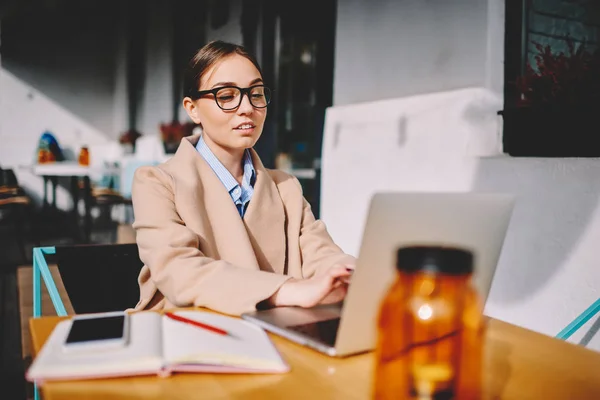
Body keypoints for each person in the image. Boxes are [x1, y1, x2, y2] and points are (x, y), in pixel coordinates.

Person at [132, 40, 355, 316]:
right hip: (189, 334)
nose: (247, 107)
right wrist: (290, 290)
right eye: (226, 96)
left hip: (274, 330)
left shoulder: (285, 187)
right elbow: (180, 271)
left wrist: (347, 274)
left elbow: (319, 252)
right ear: (192, 109)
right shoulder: (157, 182)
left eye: (256, 93)